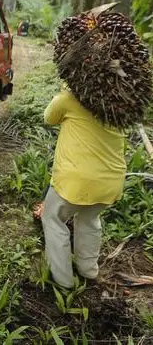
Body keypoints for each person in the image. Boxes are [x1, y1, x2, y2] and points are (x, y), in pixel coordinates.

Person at [41, 88, 127, 289]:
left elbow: (49, 118)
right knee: (89, 219)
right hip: (110, 180)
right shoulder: (121, 104)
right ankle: (88, 270)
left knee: (53, 218)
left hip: (76, 180)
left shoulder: (71, 98)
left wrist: (64, 91)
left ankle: (63, 281)